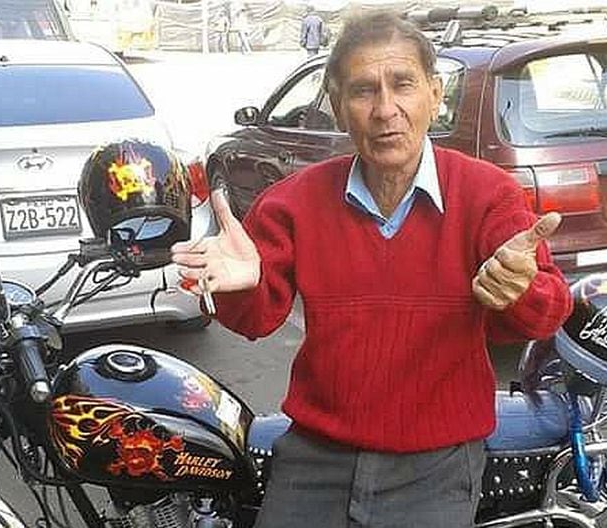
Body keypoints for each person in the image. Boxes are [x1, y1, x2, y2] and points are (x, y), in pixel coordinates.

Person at [171, 11, 572, 528]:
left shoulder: (487, 193)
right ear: (338, 107)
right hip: (314, 456)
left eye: (403, 84)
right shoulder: (294, 201)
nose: (385, 110)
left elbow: (546, 310)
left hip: (437, 463)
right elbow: (257, 319)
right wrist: (240, 287)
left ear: (434, 94)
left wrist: (520, 289)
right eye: (363, 91)